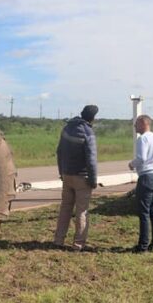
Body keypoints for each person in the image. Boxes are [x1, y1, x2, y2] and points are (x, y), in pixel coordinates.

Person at [54, 104, 99, 250]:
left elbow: (59, 152)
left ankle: (58, 240)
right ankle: (78, 244)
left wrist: (62, 172)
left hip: (67, 175)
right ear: (92, 118)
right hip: (82, 178)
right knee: (81, 211)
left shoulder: (67, 128)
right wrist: (93, 180)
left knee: (65, 208)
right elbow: (91, 160)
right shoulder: (88, 132)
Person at [128, 114, 153, 253]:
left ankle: (142, 245)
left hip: (146, 177)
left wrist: (132, 164)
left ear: (144, 124)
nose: (134, 126)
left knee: (143, 212)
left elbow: (141, 158)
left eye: (136, 124)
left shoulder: (142, 139)